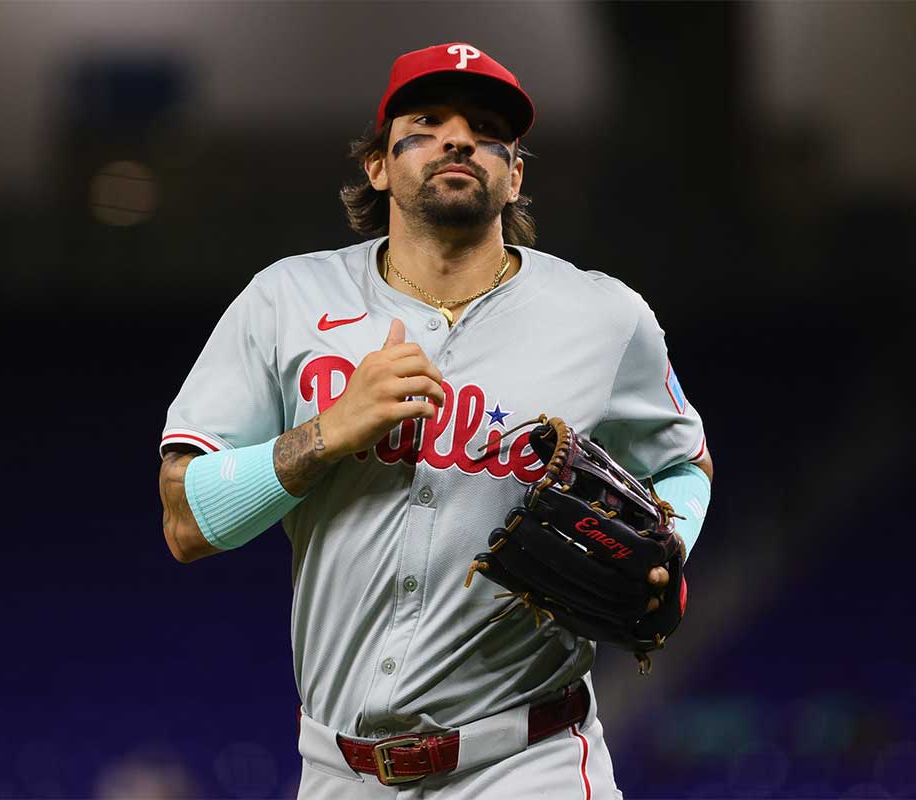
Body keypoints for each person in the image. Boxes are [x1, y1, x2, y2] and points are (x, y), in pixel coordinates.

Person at [158, 42, 713, 799]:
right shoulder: (283, 300)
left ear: (513, 173)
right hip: (338, 770)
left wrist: (668, 542)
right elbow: (186, 518)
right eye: (426, 121)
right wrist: (326, 433)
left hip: (530, 762)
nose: (458, 137)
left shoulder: (603, 315)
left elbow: (683, 463)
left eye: (486, 128)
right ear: (379, 165)